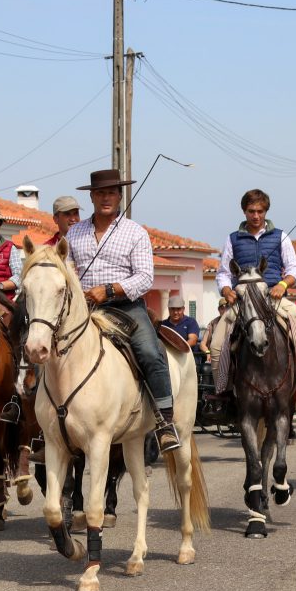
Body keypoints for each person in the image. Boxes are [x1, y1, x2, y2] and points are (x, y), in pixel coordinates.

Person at [66, 169, 181, 453]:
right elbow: (66, 270)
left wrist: (109, 290)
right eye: (100, 193)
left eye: (111, 193)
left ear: (120, 196)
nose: (106, 198)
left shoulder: (135, 232)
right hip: (85, 308)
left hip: (126, 307)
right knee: (46, 347)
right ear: (91, 197)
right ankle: (44, 426)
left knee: (150, 352)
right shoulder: (74, 232)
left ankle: (165, 421)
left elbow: (145, 278)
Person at [211, 189, 296, 394]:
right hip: (243, 302)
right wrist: (226, 290)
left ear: (266, 211)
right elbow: (223, 274)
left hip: (274, 298)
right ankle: (223, 395)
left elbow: (293, 270)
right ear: (244, 212)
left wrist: (282, 285)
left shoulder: (281, 236)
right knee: (217, 347)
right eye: (251, 211)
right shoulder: (232, 239)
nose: (256, 216)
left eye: (260, 211)